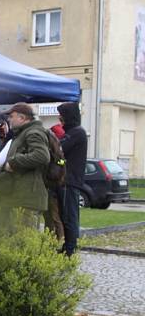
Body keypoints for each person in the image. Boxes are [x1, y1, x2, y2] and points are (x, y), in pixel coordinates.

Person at [0, 103, 51, 225]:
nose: (9, 119)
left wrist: (13, 162)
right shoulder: (22, 133)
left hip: (27, 198)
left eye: (11, 116)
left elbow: (42, 155)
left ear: (22, 118)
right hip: (18, 195)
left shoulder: (33, 132)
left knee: (22, 239)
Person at [58, 102, 87, 256]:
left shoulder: (76, 133)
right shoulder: (72, 132)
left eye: (62, 115)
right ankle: (68, 244)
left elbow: (59, 149)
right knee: (66, 215)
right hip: (67, 180)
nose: (59, 118)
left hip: (70, 181)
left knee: (70, 216)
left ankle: (71, 247)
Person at [43, 127, 66, 242]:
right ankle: (52, 240)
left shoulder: (53, 155)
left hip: (52, 188)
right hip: (55, 188)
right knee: (51, 217)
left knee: (53, 217)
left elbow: (54, 172)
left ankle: (57, 241)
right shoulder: (58, 154)